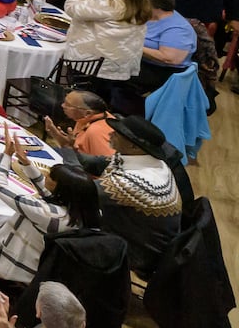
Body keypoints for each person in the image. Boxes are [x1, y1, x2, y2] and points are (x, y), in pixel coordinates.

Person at [0, 127, 102, 291]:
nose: (46, 175)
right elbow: (47, 191)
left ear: (61, 188)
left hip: (7, 268)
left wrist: (7, 154)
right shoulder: (86, 211)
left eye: (50, 176)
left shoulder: (46, 213)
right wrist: (25, 162)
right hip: (39, 268)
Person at [56, 115, 182, 275]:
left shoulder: (138, 182)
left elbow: (81, 190)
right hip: (134, 232)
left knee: (58, 219)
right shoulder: (149, 160)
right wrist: (69, 149)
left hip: (139, 252)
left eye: (117, 134)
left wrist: (67, 152)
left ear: (134, 146)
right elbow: (97, 163)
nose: (110, 135)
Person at [63, 0, 152, 85]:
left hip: (92, 64)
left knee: (83, 98)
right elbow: (103, 8)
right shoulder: (136, 2)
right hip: (116, 63)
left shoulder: (109, 4)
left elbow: (72, 9)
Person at [133, 0, 198, 96]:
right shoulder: (151, 16)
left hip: (163, 72)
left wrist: (134, 46)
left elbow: (170, 58)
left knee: (111, 74)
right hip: (144, 63)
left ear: (155, 7)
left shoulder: (178, 29)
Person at [42, 90, 115, 157]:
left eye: (68, 105)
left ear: (87, 113)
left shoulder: (96, 132)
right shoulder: (86, 118)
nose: (62, 105)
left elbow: (105, 165)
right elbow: (71, 147)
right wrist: (55, 133)